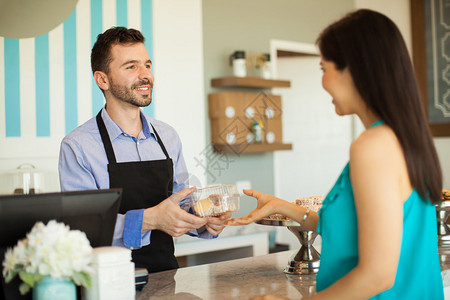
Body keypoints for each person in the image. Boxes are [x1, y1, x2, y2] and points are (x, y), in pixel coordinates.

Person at [228, 9, 444, 300]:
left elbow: (377, 275)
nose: (323, 81)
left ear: (356, 68)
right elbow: (359, 230)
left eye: (323, 68)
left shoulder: (372, 147)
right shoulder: (404, 139)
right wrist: (283, 207)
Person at [59, 27, 230, 273]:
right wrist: (150, 219)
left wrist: (204, 221)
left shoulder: (168, 136)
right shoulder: (78, 146)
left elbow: (179, 205)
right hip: (107, 283)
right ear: (102, 79)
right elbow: (83, 229)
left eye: (147, 65)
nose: (145, 75)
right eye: (131, 67)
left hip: (165, 277)